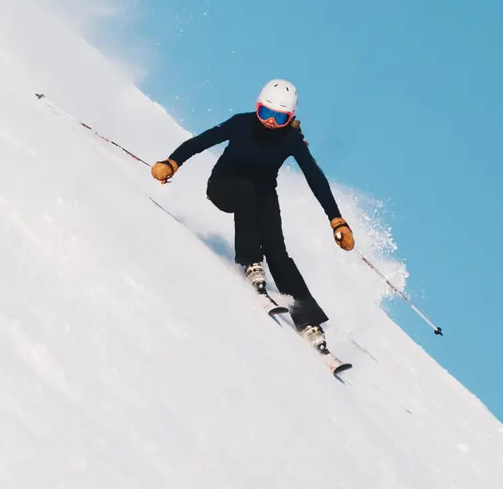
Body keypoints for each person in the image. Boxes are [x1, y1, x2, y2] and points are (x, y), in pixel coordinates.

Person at [151, 79, 354, 350]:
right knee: (246, 190)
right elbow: (202, 141)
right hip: (224, 186)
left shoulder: (291, 139)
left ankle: (307, 320)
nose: (270, 121)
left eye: (279, 117)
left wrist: (336, 219)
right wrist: (172, 162)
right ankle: (251, 261)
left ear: (290, 117)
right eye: (266, 113)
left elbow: (314, 176)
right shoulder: (241, 123)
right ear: (257, 108)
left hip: (262, 193)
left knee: (278, 251)